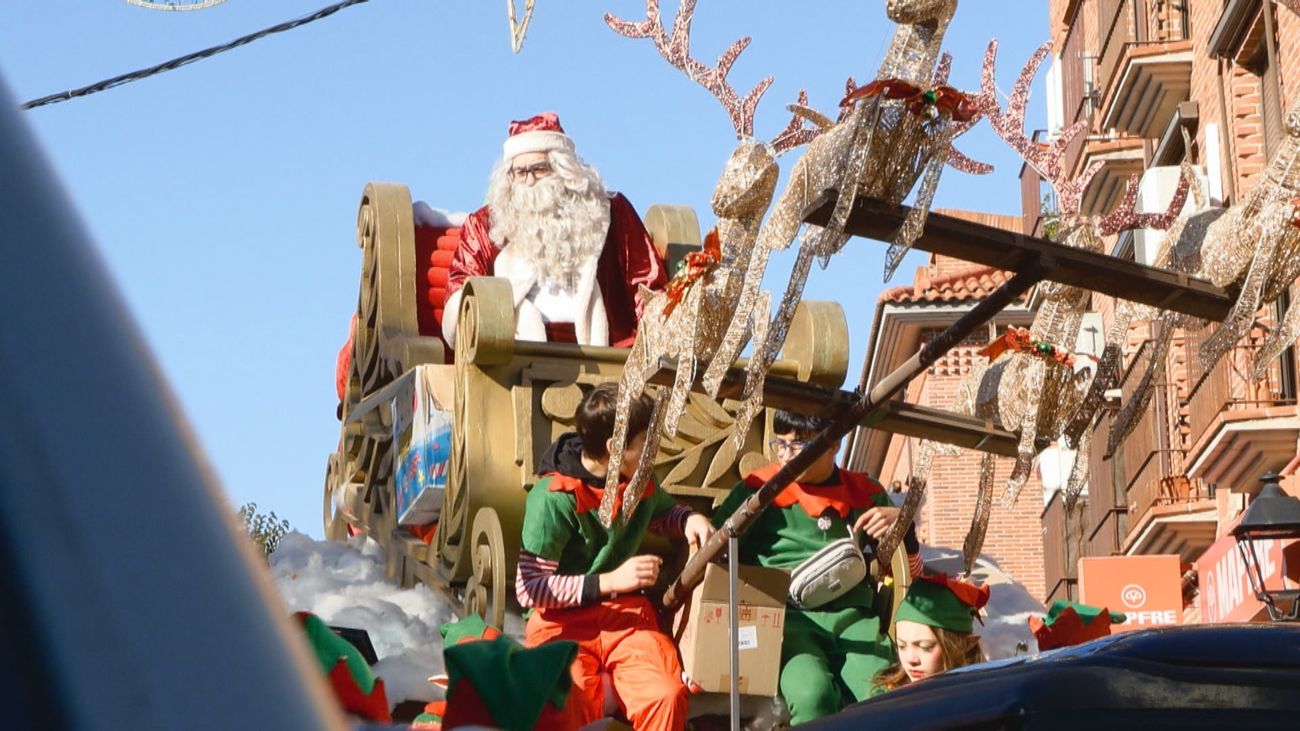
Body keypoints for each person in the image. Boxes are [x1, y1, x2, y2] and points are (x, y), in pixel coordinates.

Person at [515, 382, 712, 731]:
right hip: (562, 625)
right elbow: (530, 588)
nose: (656, 449)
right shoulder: (553, 498)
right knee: (563, 699)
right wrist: (610, 581)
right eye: (646, 442)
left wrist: (688, 518)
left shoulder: (636, 478)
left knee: (665, 695)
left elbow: (662, 510)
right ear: (614, 447)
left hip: (627, 619)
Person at [710, 410, 925, 726]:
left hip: (856, 621)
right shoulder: (758, 490)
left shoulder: (865, 491)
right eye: (780, 445)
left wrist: (904, 527)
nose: (786, 457)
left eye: (798, 447)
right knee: (812, 694)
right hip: (789, 623)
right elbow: (714, 548)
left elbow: (911, 575)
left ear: (833, 444)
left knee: (882, 695)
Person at [441, 111, 668, 349]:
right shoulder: (484, 224)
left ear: (563, 170)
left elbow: (646, 285)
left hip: (605, 357)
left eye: (539, 169)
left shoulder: (609, 212)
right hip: (512, 359)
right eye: (520, 172)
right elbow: (461, 294)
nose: (529, 182)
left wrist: (650, 345)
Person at [870, 573, 989, 695]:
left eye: (925, 647)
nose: (911, 659)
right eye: (902, 646)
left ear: (965, 644)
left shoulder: (984, 697)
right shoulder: (886, 697)